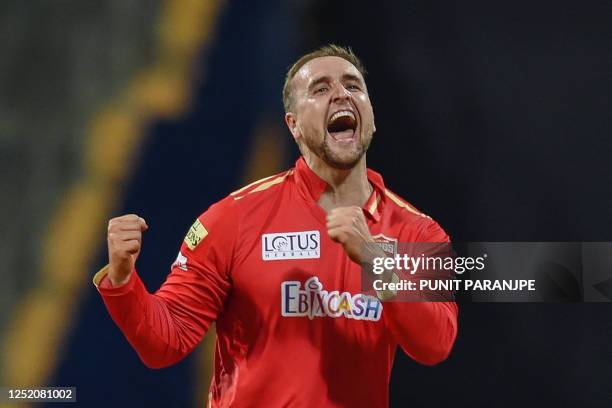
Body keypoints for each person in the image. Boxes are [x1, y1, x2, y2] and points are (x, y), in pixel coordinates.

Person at [94, 44, 458, 407]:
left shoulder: (416, 231)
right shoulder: (233, 218)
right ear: (294, 125)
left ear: (372, 117)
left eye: (353, 86)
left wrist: (375, 261)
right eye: (320, 89)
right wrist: (124, 281)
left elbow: (435, 344)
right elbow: (165, 343)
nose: (341, 95)